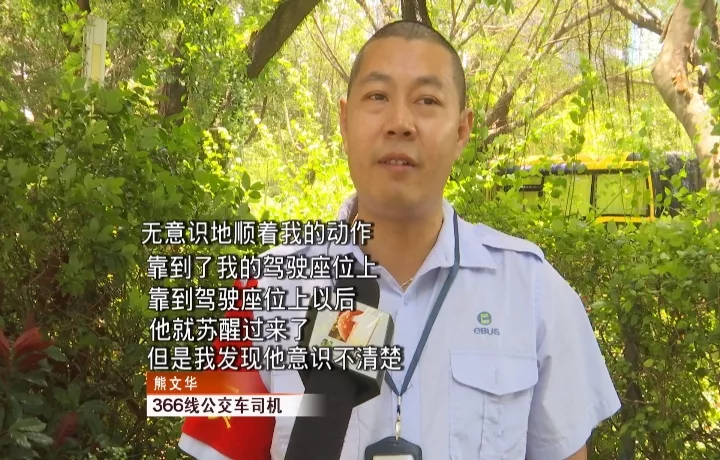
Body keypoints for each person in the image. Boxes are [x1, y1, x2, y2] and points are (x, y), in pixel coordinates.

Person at [178, 19, 621, 460]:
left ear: (462, 130)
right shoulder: (263, 289)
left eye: (427, 100)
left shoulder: (534, 293)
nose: (400, 123)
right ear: (344, 120)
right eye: (378, 96)